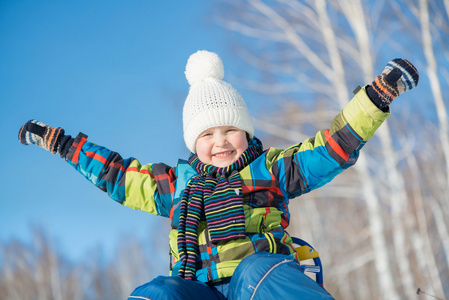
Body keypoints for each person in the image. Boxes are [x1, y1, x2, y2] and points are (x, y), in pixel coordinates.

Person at [18, 50, 419, 300]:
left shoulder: (273, 169)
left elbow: (330, 147)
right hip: (198, 291)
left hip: (256, 288)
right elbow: (116, 175)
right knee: (158, 291)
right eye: (207, 134)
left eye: (230, 129)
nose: (221, 141)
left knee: (257, 269)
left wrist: (376, 97)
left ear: (247, 132)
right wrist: (63, 144)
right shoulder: (175, 186)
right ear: (194, 144)